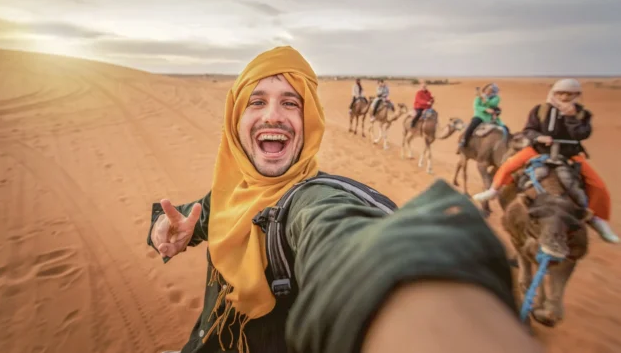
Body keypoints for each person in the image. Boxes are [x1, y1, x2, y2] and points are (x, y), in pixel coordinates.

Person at [147, 46, 542, 353]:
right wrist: (167, 227)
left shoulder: (310, 202)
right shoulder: (229, 193)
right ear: (235, 119)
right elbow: (197, 215)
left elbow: (342, 237)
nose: (273, 116)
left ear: (310, 121)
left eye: (291, 102)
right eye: (257, 101)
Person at [472, 78, 619, 244]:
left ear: (577, 95)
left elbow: (582, 134)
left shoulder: (582, 114)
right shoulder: (540, 110)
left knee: (598, 185)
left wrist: (571, 117)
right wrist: (539, 137)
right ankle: (493, 190)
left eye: (570, 94)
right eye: (560, 93)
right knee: (508, 166)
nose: (564, 97)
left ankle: (598, 220)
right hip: (538, 150)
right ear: (554, 93)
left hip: (569, 154)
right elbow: (529, 130)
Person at [459, 83, 506, 149]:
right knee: (472, 126)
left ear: (494, 91)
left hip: (490, 117)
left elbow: (491, 104)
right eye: (487, 89)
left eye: (490, 90)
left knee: (504, 128)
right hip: (479, 116)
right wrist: (485, 109)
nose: (488, 90)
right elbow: (476, 106)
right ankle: (464, 141)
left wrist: (482, 97)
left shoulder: (496, 98)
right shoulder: (479, 97)